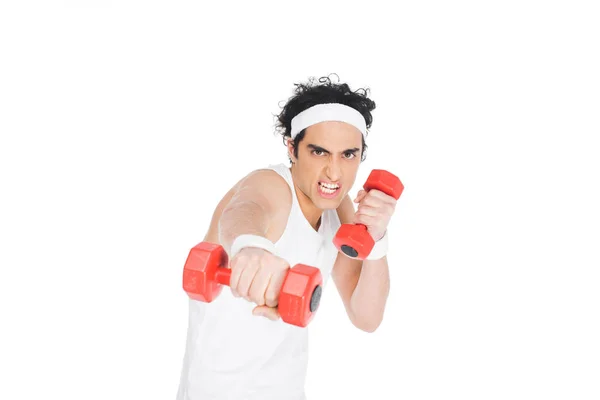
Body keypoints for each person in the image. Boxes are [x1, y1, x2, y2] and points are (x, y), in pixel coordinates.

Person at [176, 74, 400, 400]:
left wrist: (378, 240)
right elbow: (246, 209)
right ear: (292, 148)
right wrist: (251, 247)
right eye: (319, 152)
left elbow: (367, 317)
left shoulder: (340, 210)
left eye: (348, 154)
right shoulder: (273, 186)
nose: (334, 173)